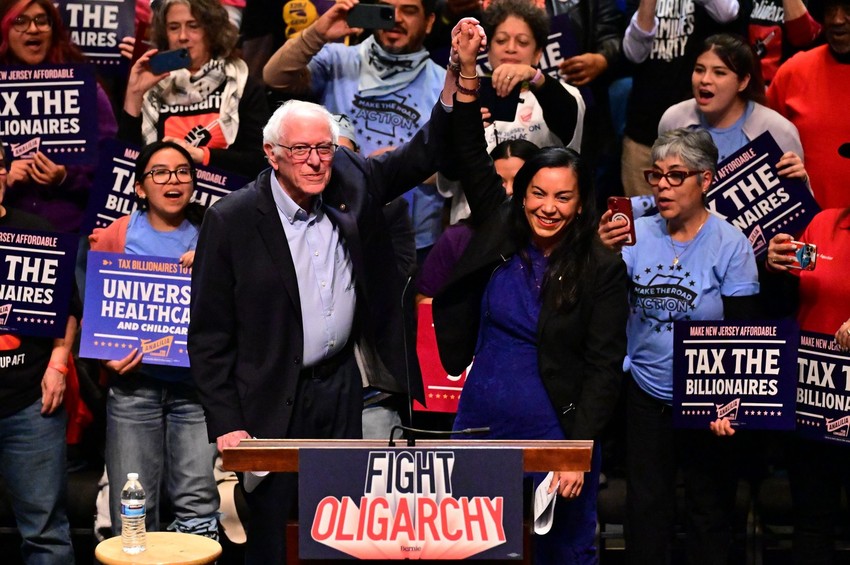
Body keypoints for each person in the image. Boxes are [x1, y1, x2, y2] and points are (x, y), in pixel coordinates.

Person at [188, 95, 448, 562]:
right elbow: (209, 334)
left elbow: (420, 155)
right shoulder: (230, 220)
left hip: (340, 387)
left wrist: (454, 90)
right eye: (301, 149)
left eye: (324, 148)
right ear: (272, 154)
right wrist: (227, 422)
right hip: (269, 395)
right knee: (273, 539)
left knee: (341, 533)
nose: (315, 161)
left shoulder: (351, 185)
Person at [432, 21, 628, 562]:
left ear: (581, 205)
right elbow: (468, 148)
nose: (548, 207)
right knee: (473, 552)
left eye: (563, 198)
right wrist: (466, 71)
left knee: (563, 554)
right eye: (538, 193)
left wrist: (575, 450)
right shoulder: (499, 227)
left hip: (556, 431)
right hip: (480, 424)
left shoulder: (602, 267)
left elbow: (604, 367)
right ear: (521, 197)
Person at [599, 128, 760, 563]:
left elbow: (743, 335)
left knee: (709, 510)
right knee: (646, 510)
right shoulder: (636, 233)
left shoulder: (731, 244)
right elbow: (602, 306)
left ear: (705, 180)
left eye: (676, 176)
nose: (663, 186)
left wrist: (728, 403)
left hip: (707, 400)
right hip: (646, 394)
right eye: (656, 175)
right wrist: (601, 252)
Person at [88, 141, 220, 540]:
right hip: (134, 390)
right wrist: (106, 357)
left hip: (196, 392)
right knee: (134, 505)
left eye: (182, 171)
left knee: (198, 502)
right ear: (140, 187)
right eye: (159, 172)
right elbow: (96, 306)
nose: (172, 180)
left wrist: (211, 263)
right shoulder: (116, 234)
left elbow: (240, 304)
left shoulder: (214, 233)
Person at [263, 0, 446, 265]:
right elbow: (274, 76)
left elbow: (459, 165)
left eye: (409, 10)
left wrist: (401, 166)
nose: (396, 18)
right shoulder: (338, 59)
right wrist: (318, 32)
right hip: (330, 229)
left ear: (429, 22)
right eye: (386, 9)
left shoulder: (444, 84)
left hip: (410, 239)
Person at [0, 141, 79, 564]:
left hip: (31, 403)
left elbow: (68, 310)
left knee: (45, 534)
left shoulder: (37, 231)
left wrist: (58, 364)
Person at [440, 0, 585, 224]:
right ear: (488, 50)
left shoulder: (566, 95)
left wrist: (534, 77)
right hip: (475, 224)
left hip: (540, 222)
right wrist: (464, 133)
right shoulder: (464, 100)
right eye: (501, 40)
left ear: (538, 53)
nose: (510, 48)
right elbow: (449, 175)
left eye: (522, 42)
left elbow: (565, 121)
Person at [766, 211, 850, 564]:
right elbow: (784, 303)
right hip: (815, 396)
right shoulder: (823, 225)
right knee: (812, 523)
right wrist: (773, 268)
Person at [0, 0, 118, 233]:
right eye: (20, 21)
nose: (33, 28)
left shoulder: (84, 89)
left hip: (74, 231)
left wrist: (66, 177)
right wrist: (4, 176)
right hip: (9, 230)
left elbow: (111, 169)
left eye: (41, 20)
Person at [120, 0, 270, 178]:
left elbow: (260, 161)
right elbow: (124, 161)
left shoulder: (242, 84)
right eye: (174, 27)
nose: (183, 36)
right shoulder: (151, 83)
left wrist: (201, 155)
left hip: (226, 193)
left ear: (212, 31)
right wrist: (134, 93)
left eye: (193, 26)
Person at [620, 0, 740, 196]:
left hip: (701, 137)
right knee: (643, 213)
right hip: (644, 134)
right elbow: (633, 54)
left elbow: (727, 12)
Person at [659, 34, 807, 175]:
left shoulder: (777, 131)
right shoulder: (674, 120)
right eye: (699, 70)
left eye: (719, 73)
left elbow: (796, 192)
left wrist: (801, 181)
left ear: (743, 82)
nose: (705, 80)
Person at [767, 0, 850, 210]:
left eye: (848, 10)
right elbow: (762, 147)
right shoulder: (793, 72)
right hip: (807, 226)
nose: (837, 19)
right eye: (830, 9)